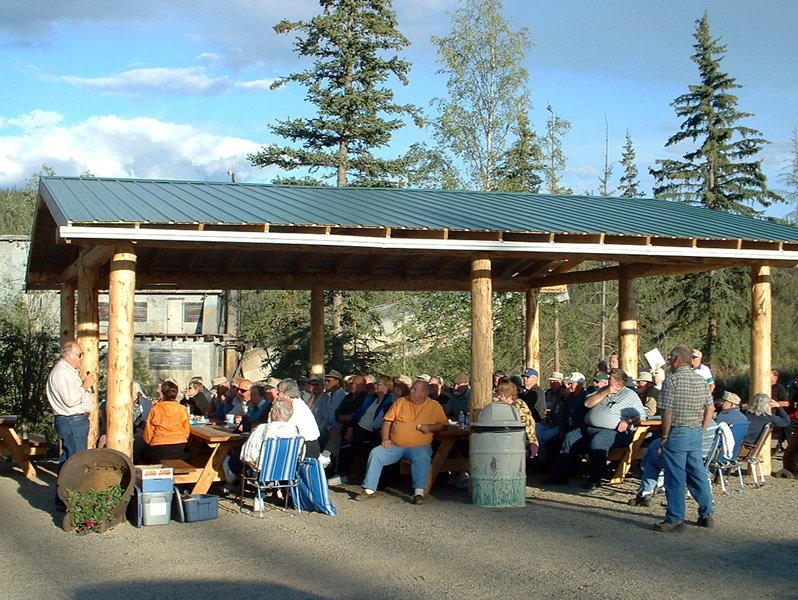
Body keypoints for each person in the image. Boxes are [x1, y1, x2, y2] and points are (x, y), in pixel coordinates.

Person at [544, 368, 646, 489]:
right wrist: (606, 392)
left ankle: (595, 478)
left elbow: (641, 417)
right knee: (570, 437)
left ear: (618, 383)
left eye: (610, 379)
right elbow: (587, 403)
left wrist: (627, 420)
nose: (607, 380)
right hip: (588, 428)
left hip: (614, 431)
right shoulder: (601, 391)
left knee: (597, 443)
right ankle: (560, 474)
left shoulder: (630, 395)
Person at [357, 380, 448, 505]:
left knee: (422, 456)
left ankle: (419, 493)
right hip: (395, 445)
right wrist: (385, 438)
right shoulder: (401, 402)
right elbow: (387, 421)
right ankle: (369, 489)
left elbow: (443, 425)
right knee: (376, 453)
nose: (412, 391)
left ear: (425, 393)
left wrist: (430, 427)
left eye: (415, 389)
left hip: (419, 446)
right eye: (412, 388)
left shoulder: (434, 405)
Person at [655, 345, 715, 532]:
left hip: (677, 432)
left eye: (671, 358)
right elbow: (710, 408)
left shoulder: (671, 381)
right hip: (695, 431)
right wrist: (702, 429)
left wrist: (664, 435)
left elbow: (667, 411)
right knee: (697, 473)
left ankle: (675, 517)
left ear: (676, 359)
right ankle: (706, 513)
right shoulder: (701, 380)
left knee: (675, 476)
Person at [332, 374, 395, 484]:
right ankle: (341, 474)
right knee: (346, 437)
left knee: (359, 444)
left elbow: (386, 419)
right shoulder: (370, 398)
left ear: (386, 386)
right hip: (360, 427)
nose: (375, 386)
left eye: (378, 384)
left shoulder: (389, 400)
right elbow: (358, 413)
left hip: (373, 432)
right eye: (375, 384)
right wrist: (351, 427)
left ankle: (361, 477)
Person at [46, 340, 95, 462]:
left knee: (69, 457)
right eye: (79, 355)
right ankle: (74, 481)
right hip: (71, 420)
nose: (81, 358)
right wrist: (85, 385)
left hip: (73, 420)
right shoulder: (62, 373)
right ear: (68, 356)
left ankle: (64, 481)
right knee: (77, 460)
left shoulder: (67, 372)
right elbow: (70, 400)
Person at [142, 380, 190, 462]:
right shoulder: (182, 409)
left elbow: (148, 433)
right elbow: (186, 430)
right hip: (179, 447)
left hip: (159, 447)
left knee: (142, 451)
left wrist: (148, 444)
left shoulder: (156, 409)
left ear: (163, 394)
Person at [277, 378, 322, 458]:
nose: (278, 396)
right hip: (301, 445)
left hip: (307, 447)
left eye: (279, 392)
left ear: (285, 393)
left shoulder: (296, 407)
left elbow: (286, 429)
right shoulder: (295, 404)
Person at [495, 381, 539, 458]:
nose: (498, 397)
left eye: (501, 395)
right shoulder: (503, 407)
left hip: (523, 443)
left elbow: (525, 427)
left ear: (509, 397)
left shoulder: (519, 406)